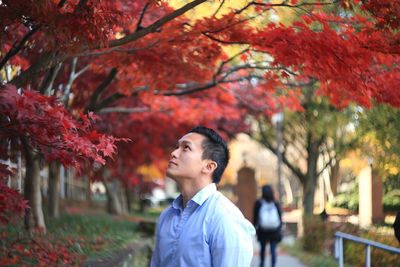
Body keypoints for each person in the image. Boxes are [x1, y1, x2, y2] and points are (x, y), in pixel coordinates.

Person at [150, 126, 255, 267]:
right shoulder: (166, 216)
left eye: (186, 148)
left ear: (209, 167)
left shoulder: (224, 218)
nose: (174, 153)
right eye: (177, 147)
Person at [253, 185, 282, 267]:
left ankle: (262, 264)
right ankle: (273, 265)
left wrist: (255, 228)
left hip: (263, 230)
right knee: (273, 249)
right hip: (274, 230)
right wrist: (279, 228)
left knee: (262, 248)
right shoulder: (275, 203)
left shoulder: (258, 203)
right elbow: (280, 217)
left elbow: (255, 217)